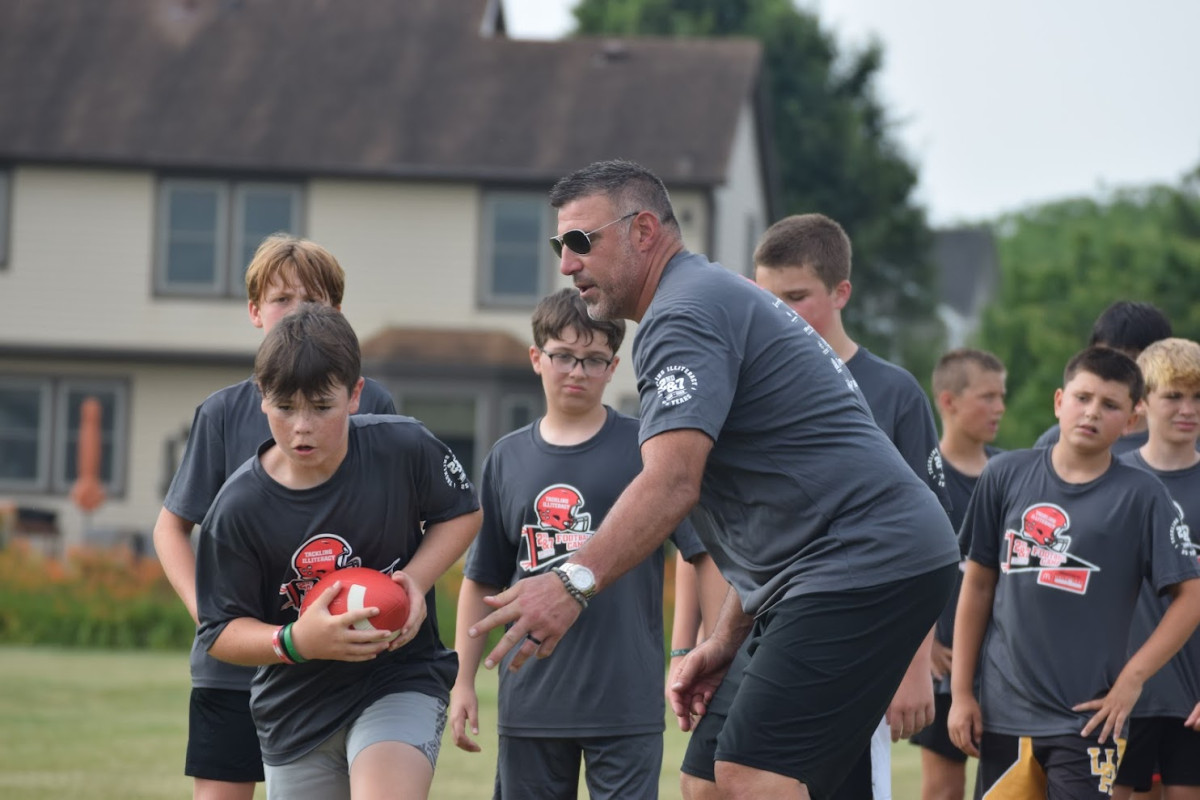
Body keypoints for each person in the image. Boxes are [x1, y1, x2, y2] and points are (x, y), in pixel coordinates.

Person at [469, 158, 960, 800]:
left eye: (582, 242)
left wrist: (571, 582)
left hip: (865, 563)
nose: (567, 263)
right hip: (815, 573)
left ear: (644, 231)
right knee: (706, 781)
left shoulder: (684, 313)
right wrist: (725, 639)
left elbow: (673, 485)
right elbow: (766, 519)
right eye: (560, 245)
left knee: (753, 777)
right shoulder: (702, 298)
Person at [676, 212, 956, 800]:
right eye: (764, 296)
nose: (777, 310)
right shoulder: (738, 383)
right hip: (774, 613)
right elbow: (750, 534)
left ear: (841, 292)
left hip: (860, 614)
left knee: (803, 780)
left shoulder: (894, 391)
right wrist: (710, 638)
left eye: (796, 297)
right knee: (703, 781)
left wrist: (915, 665)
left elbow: (930, 534)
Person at [194, 303, 482, 800]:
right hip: (295, 708)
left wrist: (414, 577)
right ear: (262, 398)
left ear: (355, 395)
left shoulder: (404, 446)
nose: (302, 427)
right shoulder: (238, 508)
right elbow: (219, 632)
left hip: (398, 678)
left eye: (321, 407)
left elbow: (462, 511)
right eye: (285, 407)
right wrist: (295, 641)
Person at [151, 234, 397, 800]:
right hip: (234, 667)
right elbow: (171, 527)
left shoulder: (370, 404)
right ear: (255, 311)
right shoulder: (221, 412)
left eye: (314, 301)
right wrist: (209, 614)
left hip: (334, 662)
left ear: (338, 314)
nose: (297, 312)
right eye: (282, 299)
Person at [449, 287, 719, 799]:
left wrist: (699, 650)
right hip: (530, 702)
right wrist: (463, 682)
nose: (577, 370)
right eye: (564, 356)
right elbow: (480, 578)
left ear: (613, 366)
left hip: (624, 701)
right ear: (537, 358)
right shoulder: (506, 460)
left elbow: (702, 554)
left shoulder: (647, 450)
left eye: (594, 359)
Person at [949, 346, 1200, 798]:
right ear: (1059, 401)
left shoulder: (1143, 496)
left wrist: (1132, 680)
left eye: (1109, 405)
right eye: (1082, 398)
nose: (1091, 413)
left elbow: (1192, 596)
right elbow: (979, 584)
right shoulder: (1004, 475)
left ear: (1130, 420)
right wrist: (963, 693)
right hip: (1003, 714)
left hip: (1089, 719)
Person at [909, 349, 1007, 800]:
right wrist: (922, 646)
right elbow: (903, 568)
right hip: (945, 666)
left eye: (1001, 396)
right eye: (987, 397)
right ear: (948, 401)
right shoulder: (920, 477)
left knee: (1011, 786)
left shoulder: (1011, 473)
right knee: (944, 791)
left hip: (1008, 665)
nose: (1000, 408)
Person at [1112, 338, 1200, 800]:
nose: (1188, 409)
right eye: (1174, 396)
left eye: (1199, 397)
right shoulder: (1113, 481)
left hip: (1192, 700)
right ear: (1142, 403)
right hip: (1119, 699)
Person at [1034, 301, 1173, 452]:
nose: (1114, 370)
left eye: (1131, 362)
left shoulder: (1180, 447)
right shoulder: (1058, 440)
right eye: (1104, 358)